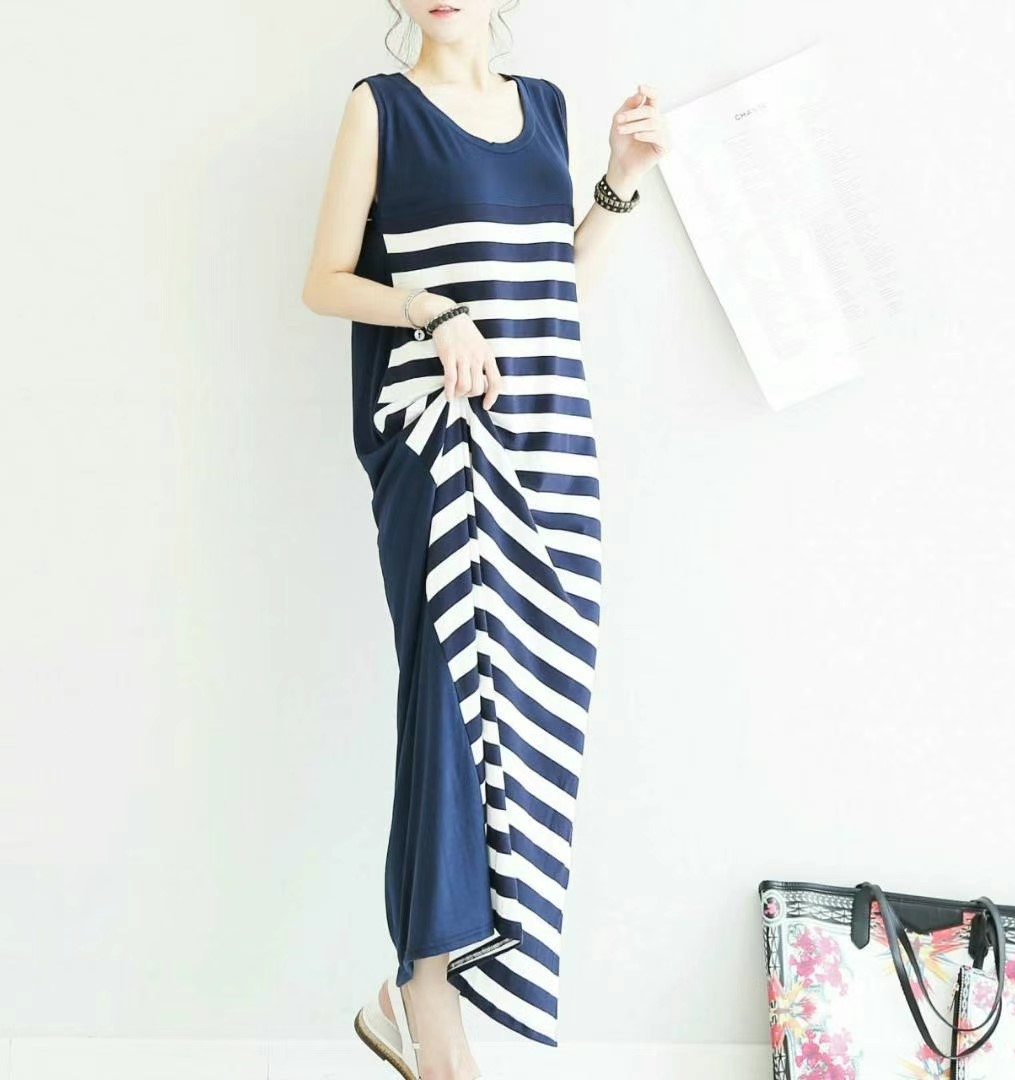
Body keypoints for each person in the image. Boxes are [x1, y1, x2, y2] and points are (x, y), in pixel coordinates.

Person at [301, 3, 669, 1077]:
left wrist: (620, 178)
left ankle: (417, 992)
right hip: (442, 441)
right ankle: (428, 997)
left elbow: (558, 291)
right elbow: (323, 281)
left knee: (532, 704)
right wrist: (433, 311)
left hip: (550, 441)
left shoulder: (545, 108)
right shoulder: (381, 108)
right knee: (449, 704)